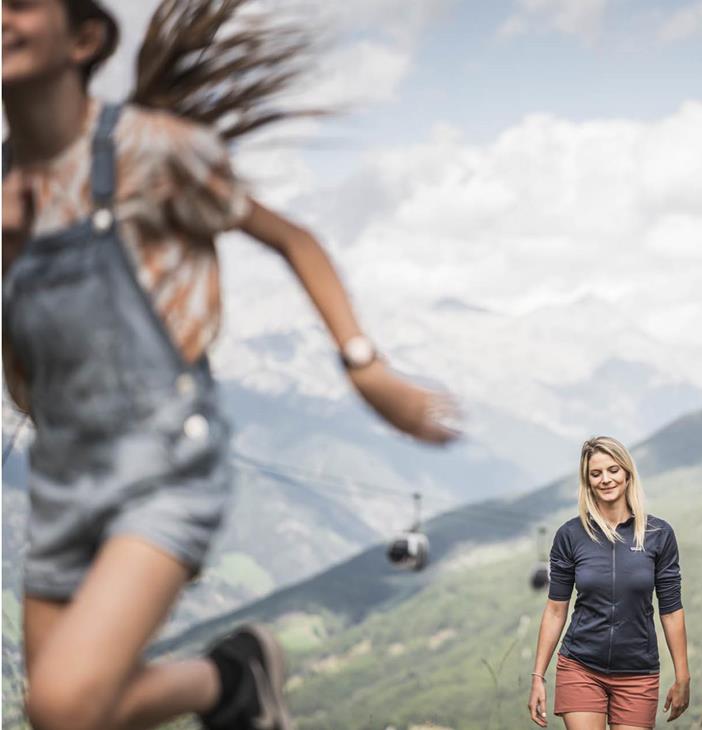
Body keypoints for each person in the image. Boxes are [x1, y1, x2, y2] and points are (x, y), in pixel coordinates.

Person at [1, 1, 458, 728]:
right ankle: (235, 678)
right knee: (60, 717)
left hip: (160, 460)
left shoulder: (150, 151)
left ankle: (220, 681)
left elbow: (292, 238)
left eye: (20, 4)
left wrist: (365, 367)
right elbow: (22, 354)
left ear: (83, 38)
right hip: (62, 473)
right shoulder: (5, 185)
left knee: (63, 708)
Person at [528, 436, 690, 729]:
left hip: (638, 673)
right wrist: (538, 677)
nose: (606, 479)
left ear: (627, 473)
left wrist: (683, 676)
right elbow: (555, 610)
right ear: (587, 481)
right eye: (596, 473)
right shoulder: (570, 535)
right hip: (580, 667)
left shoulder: (659, 534)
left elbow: (671, 610)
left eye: (613, 470)